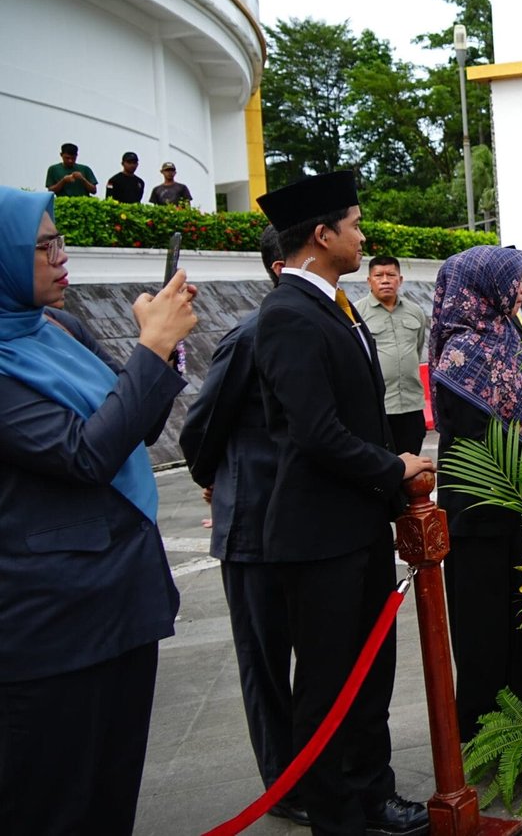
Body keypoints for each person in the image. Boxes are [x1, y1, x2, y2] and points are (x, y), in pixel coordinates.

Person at [0, 187, 193, 835]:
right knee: (54, 807)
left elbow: (134, 423)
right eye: (42, 246)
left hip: (122, 597)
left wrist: (158, 347)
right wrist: (151, 349)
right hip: (51, 626)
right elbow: (85, 453)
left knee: (113, 796)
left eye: (59, 241)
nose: (61, 258)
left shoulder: (59, 328)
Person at [254, 170, 434, 836]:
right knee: (329, 684)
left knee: (370, 676)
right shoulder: (287, 314)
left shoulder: (334, 305)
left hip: (356, 524)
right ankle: (336, 815)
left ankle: (371, 792)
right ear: (322, 235)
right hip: (318, 534)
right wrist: (395, 465)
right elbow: (316, 431)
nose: (363, 237)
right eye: (354, 225)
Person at [178, 227, 307, 825]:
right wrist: (219, 478)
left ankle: (315, 769)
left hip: (301, 521)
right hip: (253, 523)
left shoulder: (320, 324)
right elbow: (200, 426)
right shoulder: (251, 335)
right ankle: (284, 786)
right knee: (265, 664)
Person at [431, 246, 522, 739]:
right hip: (476, 511)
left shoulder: (504, 334)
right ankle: (484, 733)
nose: (519, 291)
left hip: (509, 505)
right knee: (483, 625)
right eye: (511, 281)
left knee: (517, 620)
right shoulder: (463, 351)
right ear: (483, 287)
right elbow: (475, 439)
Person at [355, 255, 430, 455]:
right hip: (378, 408)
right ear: (369, 281)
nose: (385, 280)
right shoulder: (356, 314)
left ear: (400, 279)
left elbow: (417, 348)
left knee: (411, 463)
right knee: (381, 464)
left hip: (411, 406)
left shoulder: (415, 311)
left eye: (391, 275)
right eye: (378, 275)